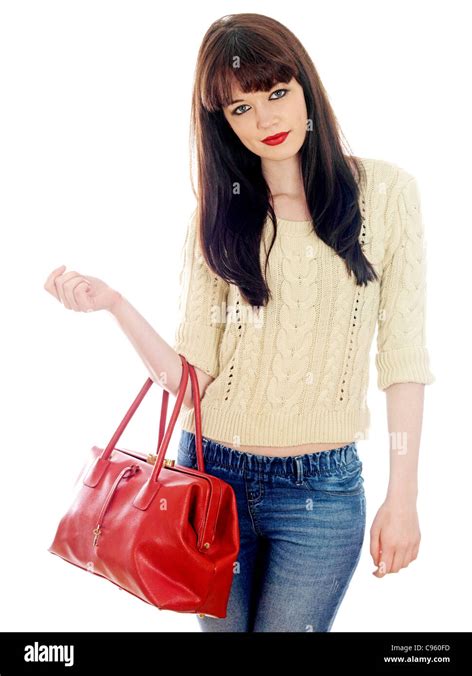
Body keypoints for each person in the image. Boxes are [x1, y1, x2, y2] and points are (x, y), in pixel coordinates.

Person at [43, 13, 435, 632]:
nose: (265, 119)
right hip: (209, 477)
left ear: (306, 88)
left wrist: (404, 495)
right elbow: (187, 376)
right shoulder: (218, 215)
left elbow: (405, 360)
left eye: (277, 93)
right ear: (221, 123)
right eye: (240, 108)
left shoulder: (386, 195)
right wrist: (115, 303)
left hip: (321, 493)